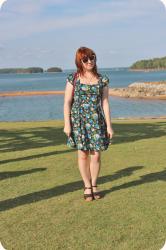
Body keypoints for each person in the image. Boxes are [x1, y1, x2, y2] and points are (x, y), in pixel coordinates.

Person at [63, 46, 114, 202]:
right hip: (78, 121)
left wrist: (109, 125)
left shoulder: (102, 79)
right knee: (83, 154)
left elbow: (105, 103)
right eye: (85, 59)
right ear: (80, 61)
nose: (89, 61)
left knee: (96, 155)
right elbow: (67, 102)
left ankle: (94, 184)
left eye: (92, 57)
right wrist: (67, 124)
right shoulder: (73, 78)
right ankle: (86, 186)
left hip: (97, 121)